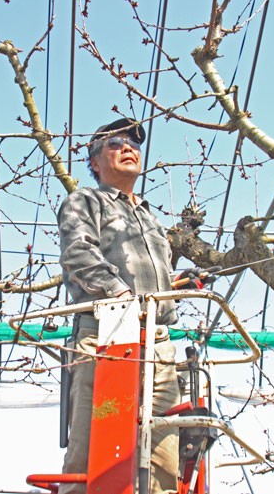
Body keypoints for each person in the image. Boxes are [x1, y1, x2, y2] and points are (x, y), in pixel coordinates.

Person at [58, 117, 205, 494]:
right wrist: (123, 297)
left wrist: (174, 284)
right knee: (97, 451)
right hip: (107, 335)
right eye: (115, 144)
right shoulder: (85, 201)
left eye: (133, 144)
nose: (128, 148)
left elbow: (147, 280)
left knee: (163, 453)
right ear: (93, 162)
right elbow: (79, 255)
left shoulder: (149, 217)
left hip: (157, 343)